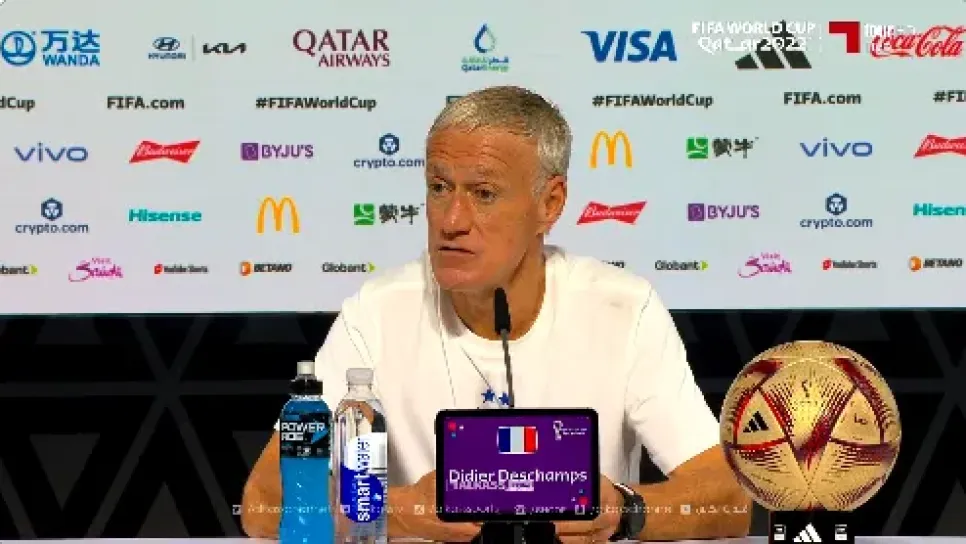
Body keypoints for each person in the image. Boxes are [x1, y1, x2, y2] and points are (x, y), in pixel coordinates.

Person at [241, 85, 752, 543]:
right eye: (439, 188)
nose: (452, 220)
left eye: (483, 194)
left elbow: (729, 499)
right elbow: (263, 503)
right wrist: (395, 512)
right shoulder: (376, 311)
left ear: (550, 204)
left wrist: (624, 512)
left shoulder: (621, 308)